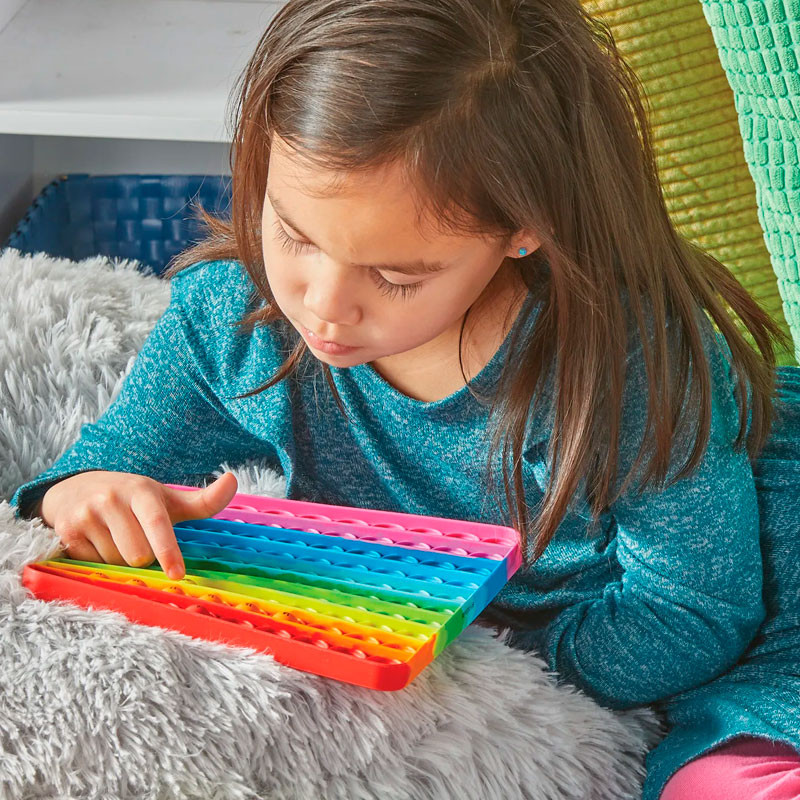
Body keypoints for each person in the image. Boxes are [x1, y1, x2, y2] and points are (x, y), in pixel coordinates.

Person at [10, 1, 800, 797]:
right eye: (293, 234)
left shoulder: (629, 366)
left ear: (524, 228)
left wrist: (486, 666)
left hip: (767, 580)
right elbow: (83, 477)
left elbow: (694, 614)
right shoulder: (229, 317)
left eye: (396, 277)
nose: (323, 305)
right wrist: (88, 495)